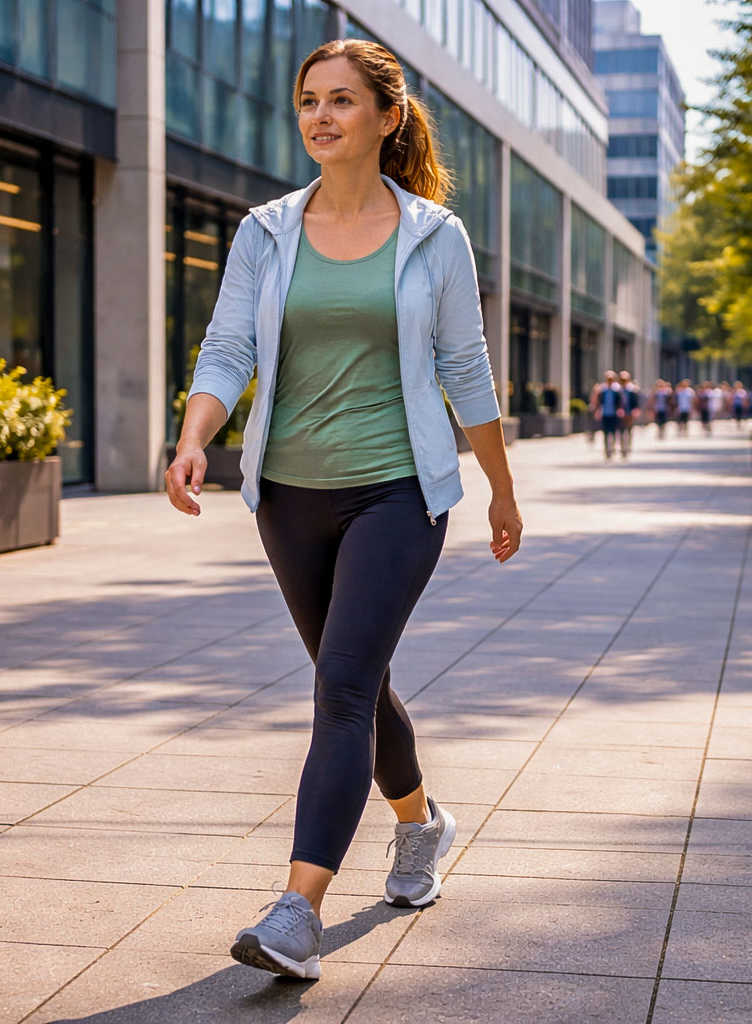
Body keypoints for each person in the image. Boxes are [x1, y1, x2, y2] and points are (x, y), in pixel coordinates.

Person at [165, 38, 523, 982]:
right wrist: (195, 436)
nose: (320, 117)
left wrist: (500, 485)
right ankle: (421, 822)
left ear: (387, 117)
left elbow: (465, 366)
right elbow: (228, 347)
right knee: (353, 680)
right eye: (308, 101)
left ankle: (297, 912)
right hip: (288, 495)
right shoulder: (267, 231)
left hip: (398, 491)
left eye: (341, 100)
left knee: (342, 689)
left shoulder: (433, 236)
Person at [592, 369, 624, 460]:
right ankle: (607, 450)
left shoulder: (616, 390)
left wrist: (620, 410)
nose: (610, 381)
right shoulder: (602, 390)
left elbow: (620, 402)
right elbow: (598, 401)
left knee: (613, 432)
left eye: (611, 379)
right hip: (605, 413)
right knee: (605, 432)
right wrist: (597, 410)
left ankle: (612, 447)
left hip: (614, 413)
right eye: (608, 379)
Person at [617, 370, 640, 457]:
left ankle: (628, 446)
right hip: (620, 413)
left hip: (629, 412)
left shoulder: (632, 390)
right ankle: (622, 447)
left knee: (629, 430)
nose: (623, 382)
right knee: (621, 430)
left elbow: (636, 402)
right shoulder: (617, 390)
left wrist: (635, 410)